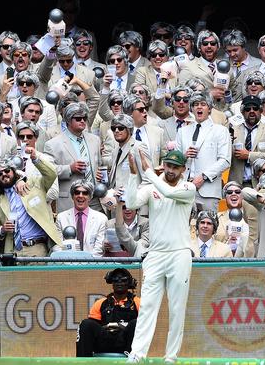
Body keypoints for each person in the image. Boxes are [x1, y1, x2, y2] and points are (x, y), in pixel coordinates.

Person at [125, 149, 195, 363]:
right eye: (168, 165)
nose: (171, 170)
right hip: (155, 254)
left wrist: (148, 172)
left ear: (183, 169)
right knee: (147, 306)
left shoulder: (188, 188)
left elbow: (169, 192)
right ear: (163, 165)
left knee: (176, 307)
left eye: (175, 167)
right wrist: (132, 174)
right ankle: (137, 354)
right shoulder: (152, 184)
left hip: (180, 254)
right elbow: (131, 203)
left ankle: (171, 356)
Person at [0, 146, 61, 257]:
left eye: (7, 171)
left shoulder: (32, 184)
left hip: (37, 248)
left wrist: (35, 158)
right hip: (14, 250)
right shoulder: (0, 200)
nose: (4, 174)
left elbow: (51, 174)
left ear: (14, 172)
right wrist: (2, 229)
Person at [76, 268, 139, 357]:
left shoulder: (137, 302)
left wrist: (123, 327)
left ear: (129, 283)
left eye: (123, 280)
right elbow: (93, 326)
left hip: (125, 342)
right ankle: (83, 360)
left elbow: (144, 326)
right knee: (86, 324)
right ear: (112, 283)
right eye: (115, 280)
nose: (119, 282)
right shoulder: (101, 303)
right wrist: (106, 327)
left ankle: (131, 359)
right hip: (105, 341)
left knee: (136, 323)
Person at [56, 180, 107, 255]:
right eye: (77, 192)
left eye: (85, 193)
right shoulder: (61, 217)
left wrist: (87, 264)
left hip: (92, 264)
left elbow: (99, 249)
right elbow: (58, 246)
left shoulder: (101, 218)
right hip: (67, 263)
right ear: (72, 196)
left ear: (90, 197)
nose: (80, 195)